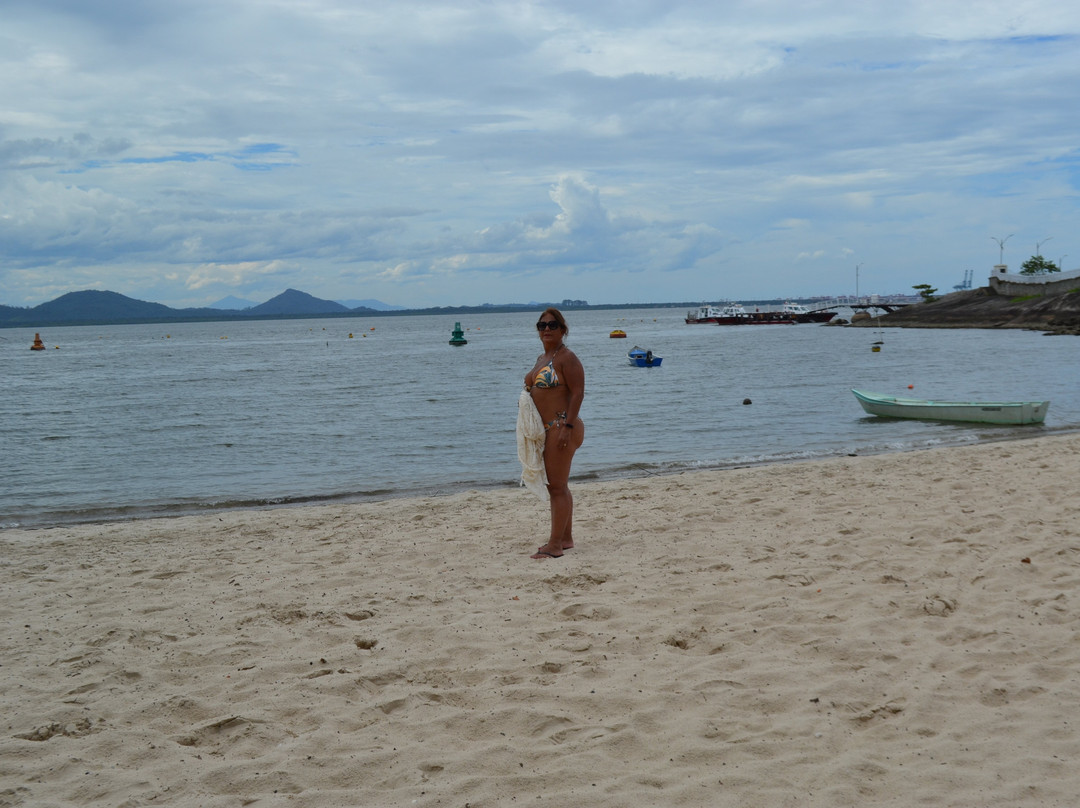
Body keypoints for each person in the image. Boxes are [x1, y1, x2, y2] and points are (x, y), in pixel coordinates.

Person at [517, 308, 585, 559]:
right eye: (541, 325)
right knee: (558, 486)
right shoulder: (542, 358)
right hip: (547, 430)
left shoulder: (567, 358)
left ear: (563, 330)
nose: (546, 329)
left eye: (552, 325)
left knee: (556, 487)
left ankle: (554, 545)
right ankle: (565, 538)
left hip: (561, 427)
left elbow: (578, 393)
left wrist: (567, 427)